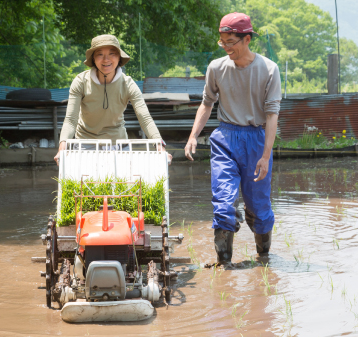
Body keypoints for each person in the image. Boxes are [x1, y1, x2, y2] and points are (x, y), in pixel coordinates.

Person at [184, 12, 281, 264]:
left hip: (256, 139)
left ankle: (264, 258)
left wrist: (265, 156)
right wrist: (193, 136)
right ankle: (223, 263)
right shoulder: (217, 68)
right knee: (223, 202)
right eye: (222, 42)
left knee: (258, 206)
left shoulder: (269, 69)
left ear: (247, 39)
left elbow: (272, 116)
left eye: (231, 42)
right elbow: (206, 104)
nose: (227, 47)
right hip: (225, 138)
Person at [54, 34, 169, 163]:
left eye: (112, 53)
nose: (106, 59)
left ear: (119, 57)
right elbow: (70, 120)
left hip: (118, 144)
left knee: (123, 182)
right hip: (85, 144)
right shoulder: (81, 82)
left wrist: (160, 146)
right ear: (93, 58)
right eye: (100, 54)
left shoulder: (128, 84)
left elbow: (145, 119)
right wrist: (62, 146)